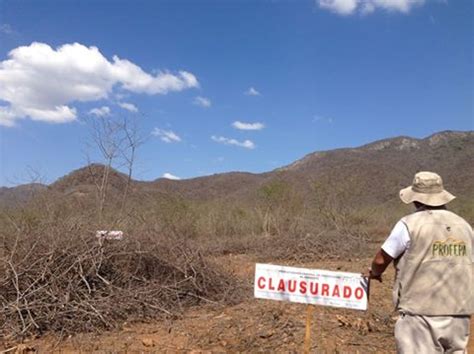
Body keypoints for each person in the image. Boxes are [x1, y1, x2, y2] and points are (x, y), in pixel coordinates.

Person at [367, 171, 473, 353]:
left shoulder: (409, 224)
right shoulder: (464, 226)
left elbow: (380, 260)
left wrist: (375, 273)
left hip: (420, 313)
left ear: (416, 199)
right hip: (459, 314)